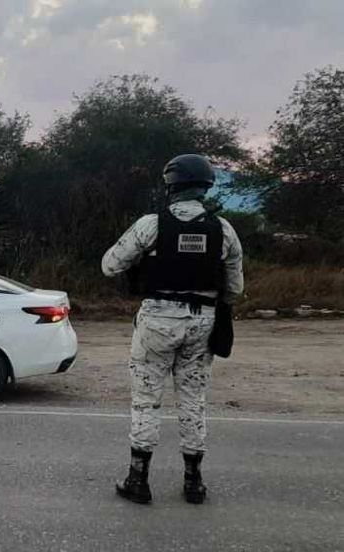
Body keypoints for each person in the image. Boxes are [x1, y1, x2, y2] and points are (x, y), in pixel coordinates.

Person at [102, 154, 244, 505]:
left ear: (171, 186)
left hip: (156, 319)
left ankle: (138, 480)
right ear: (205, 187)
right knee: (193, 400)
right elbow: (234, 290)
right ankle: (194, 483)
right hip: (203, 321)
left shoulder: (151, 224)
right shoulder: (223, 229)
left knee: (147, 399)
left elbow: (110, 265)